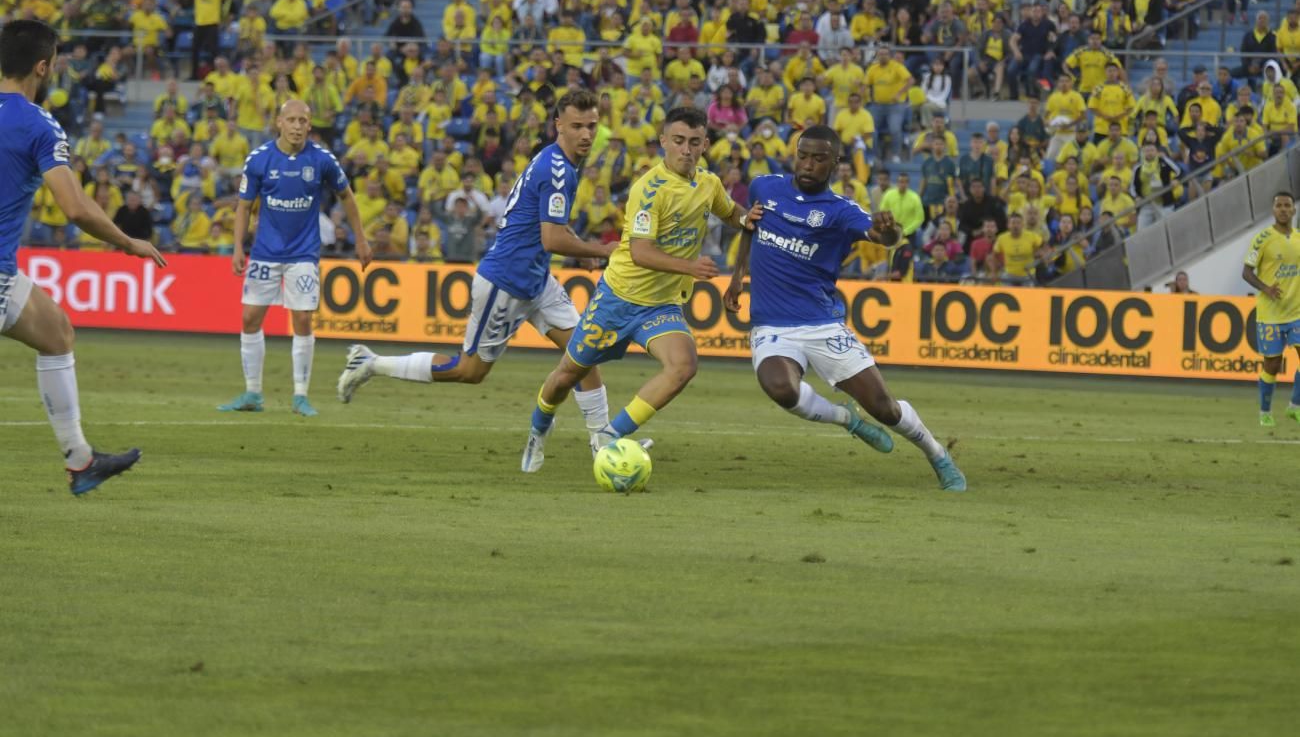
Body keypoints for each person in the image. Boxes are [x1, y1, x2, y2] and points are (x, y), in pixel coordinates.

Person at [337, 90, 621, 453]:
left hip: (536, 279)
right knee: (468, 372)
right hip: (506, 282)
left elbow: (547, 228)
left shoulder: (560, 162)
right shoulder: (559, 170)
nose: (585, 134)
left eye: (592, 126)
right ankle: (371, 363)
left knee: (584, 352)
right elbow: (551, 239)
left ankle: (604, 441)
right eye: (577, 126)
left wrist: (580, 250)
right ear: (558, 126)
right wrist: (600, 249)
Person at [722, 126, 966, 491]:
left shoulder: (841, 211)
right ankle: (846, 420)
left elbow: (882, 236)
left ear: (836, 163)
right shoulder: (764, 187)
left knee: (885, 408)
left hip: (822, 324)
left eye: (819, 159)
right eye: (803, 155)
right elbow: (749, 225)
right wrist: (738, 276)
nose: (807, 164)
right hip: (773, 323)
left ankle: (937, 454)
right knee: (780, 388)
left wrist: (888, 232)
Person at [519, 106, 760, 473]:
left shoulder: (708, 183)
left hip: (660, 304)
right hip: (618, 299)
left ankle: (610, 435)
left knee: (683, 366)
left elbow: (729, 212)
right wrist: (691, 267)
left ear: (706, 144)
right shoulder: (648, 189)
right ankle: (538, 431)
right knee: (568, 375)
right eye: (678, 141)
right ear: (663, 141)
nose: (686, 150)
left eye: (695, 143)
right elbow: (640, 251)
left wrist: (747, 217)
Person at [0, 20, 165, 494]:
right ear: (43, 66)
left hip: (6, 279)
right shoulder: (37, 123)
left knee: (58, 332)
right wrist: (128, 241)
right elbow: (74, 207)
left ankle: (81, 459)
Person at [218, 100, 372, 417]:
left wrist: (361, 239)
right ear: (279, 122)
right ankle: (252, 393)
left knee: (302, 319)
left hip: (303, 253)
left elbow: (348, 197)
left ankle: (300, 395)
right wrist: (237, 247)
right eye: (292, 120)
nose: (298, 126)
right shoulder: (259, 159)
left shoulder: (321, 160)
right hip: (264, 253)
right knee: (249, 318)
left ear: (310, 125)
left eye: (303, 120)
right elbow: (244, 206)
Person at [1243, 191, 1300, 427]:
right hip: (1271, 314)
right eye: (1279, 206)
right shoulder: (1262, 238)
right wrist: (1266, 288)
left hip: (1297, 312)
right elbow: (1246, 272)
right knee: (1272, 365)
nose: (1284, 209)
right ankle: (1265, 412)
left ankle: (1294, 406)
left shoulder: (1299, 238)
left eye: (1288, 205)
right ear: (1273, 210)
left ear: (1294, 210)